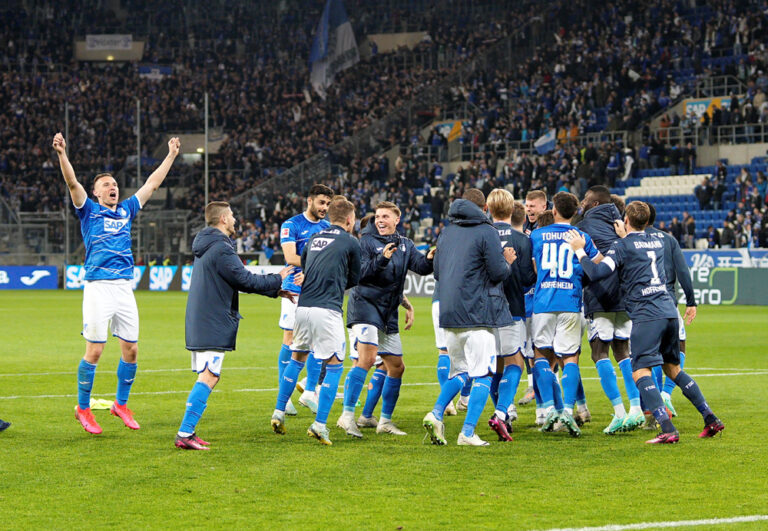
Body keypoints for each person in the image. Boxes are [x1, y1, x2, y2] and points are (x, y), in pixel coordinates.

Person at [53, 132, 180, 435]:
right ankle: (83, 410)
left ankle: (120, 405)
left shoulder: (126, 210)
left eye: (114, 184)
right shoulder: (88, 210)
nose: (113, 187)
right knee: (95, 351)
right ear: (95, 192)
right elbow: (72, 183)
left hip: (124, 287)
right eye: (106, 185)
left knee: (132, 350)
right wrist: (61, 154)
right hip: (98, 286)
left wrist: (172, 154)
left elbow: (152, 184)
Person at [568, 202, 724, 443]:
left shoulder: (622, 245)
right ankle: (710, 418)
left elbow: (597, 273)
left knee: (640, 371)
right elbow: (641, 246)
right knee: (673, 369)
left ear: (626, 220)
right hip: (669, 312)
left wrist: (579, 250)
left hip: (646, 314)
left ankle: (667, 428)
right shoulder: (659, 241)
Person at [175, 202, 295, 449]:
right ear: (221, 220)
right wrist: (278, 277)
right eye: (231, 215)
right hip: (212, 321)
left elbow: (237, 280)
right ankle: (185, 433)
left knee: (208, 375)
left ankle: (188, 431)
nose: (234, 219)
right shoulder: (220, 247)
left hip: (203, 319)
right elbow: (244, 280)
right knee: (210, 375)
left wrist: (275, 291)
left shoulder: (208, 245)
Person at [422, 188, 517, 446]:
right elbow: (498, 272)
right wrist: (507, 262)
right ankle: (467, 432)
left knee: (461, 372)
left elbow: (438, 273)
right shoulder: (487, 231)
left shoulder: (447, 231)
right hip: (477, 314)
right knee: (484, 374)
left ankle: (436, 413)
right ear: (484, 207)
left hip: (449, 313)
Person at [338, 201, 435, 437]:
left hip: (388, 312)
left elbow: (421, 267)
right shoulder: (366, 242)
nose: (380, 220)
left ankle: (385, 422)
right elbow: (360, 274)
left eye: (385, 216)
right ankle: (347, 416)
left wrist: (431, 258)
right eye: (378, 216)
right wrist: (381, 259)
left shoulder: (405, 244)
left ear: (396, 220)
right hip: (365, 306)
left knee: (397, 367)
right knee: (368, 358)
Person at [271, 197, 361, 445]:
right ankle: (320, 425)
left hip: (303, 308)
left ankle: (279, 412)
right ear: (350, 220)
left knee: (297, 357)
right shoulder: (350, 242)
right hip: (327, 310)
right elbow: (355, 278)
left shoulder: (313, 239)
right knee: (334, 365)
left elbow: (307, 268)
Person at [530, 191, 603, 437]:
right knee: (570, 357)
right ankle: (569, 413)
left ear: (553, 210)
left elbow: (533, 267)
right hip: (571, 302)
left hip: (543, 303)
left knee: (540, 355)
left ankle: (549, 409)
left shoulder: (537, 235)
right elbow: (598, 264)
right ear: (575, 213)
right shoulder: (581, 236)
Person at [577, 186, 644, 434]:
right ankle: (636, 409)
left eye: (586, 199)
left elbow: (582, 261)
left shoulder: (584, 226)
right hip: (625, 296)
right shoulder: (621, 222)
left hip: (601, 295)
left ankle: (619, 413)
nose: (582, 202)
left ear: (594, 204)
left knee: (599, 353)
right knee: (623, 352)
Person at [276, 184, 334, 415]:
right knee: (290, 340)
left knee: (314, 342)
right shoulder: (291, 225)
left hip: (316, 289)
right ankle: (285, 395)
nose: (325, 208)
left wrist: (315, 270)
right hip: (293, 289)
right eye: (321, 203)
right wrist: (316, 266)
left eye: (328, 204)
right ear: (309, 201)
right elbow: (290, 256)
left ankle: (310, 391)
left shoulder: (328, 227)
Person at [486, 190, 536, 441]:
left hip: (485, 311)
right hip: (513, 309)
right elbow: (528, 281)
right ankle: (501, 412)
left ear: (489, 208)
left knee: (495, 366)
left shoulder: (482, 236)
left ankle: (503, 416)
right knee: (514, 363)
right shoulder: (523, 239)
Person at [645, 204, 697, 422]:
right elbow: (682, 270)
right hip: (667, 302)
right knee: (678, 346)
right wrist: (691, 301)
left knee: (649, 355)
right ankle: (665, 394)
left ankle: (654, 400)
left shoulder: (628, 239)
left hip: (642, 305)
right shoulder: (668, 239)